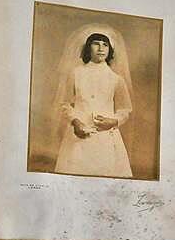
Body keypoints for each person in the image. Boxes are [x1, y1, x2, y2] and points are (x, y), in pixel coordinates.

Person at [52, 31, 134, 178]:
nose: (101, 48)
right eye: (96, 44)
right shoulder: (75, 73)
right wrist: (75, 122)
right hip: (79, 133)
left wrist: (114, 121)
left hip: (106, 135)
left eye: (105, 44)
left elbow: (125, 109)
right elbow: (65, 103)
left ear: (110, 50)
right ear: (88, 48)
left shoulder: (116, 79)